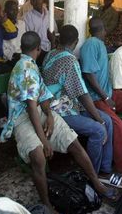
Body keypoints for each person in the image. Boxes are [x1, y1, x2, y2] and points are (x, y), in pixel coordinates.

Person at [0, 31, 116, 214]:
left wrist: (50, 115)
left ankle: (96, 183)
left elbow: (43, 95)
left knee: (74, 142)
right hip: (22, 118)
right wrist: (44, 140)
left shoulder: (33, 65)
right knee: (38, 157)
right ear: (39, 48)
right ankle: (47, 205)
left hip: (39, 113)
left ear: (22, 48)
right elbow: (30, 107)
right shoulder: (25, 68)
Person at [42, 25, 114, 175]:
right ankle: (92, 174)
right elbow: (83, 94)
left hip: (67, 105)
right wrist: (98, 119)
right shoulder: (69, 60)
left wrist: (100, 118)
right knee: (100, 130)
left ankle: (105, 169)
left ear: (59, 39)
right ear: (76, 42)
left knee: (108, 121)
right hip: (59, 111)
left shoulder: (50, 54)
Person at [80, 18, 122, 172]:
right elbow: (89, 74)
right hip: (97, 98)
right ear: (103, 29)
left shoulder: (100, 44)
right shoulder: (91, 44)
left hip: (108, 93)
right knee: (117, 124)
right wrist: (106, 97)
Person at [24, 0, 56, 66]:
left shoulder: (48, 14)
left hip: (50, 48)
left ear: (42, 0)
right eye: (34, 0)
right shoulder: (28, 17)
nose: (37, 2)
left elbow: (55, 31)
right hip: (37, 52)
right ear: (31, 2)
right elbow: (30, 38)